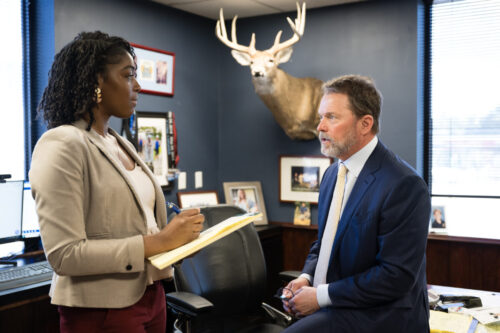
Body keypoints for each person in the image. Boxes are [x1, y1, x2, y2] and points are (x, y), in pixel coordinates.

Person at [29, 31, 204, 333]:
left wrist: (177, 243)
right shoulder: (62, 143)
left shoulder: (121, 143)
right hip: (101, 310)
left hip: (152, 297)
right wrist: (160, 242)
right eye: (128, 75)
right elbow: (64, 255)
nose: (137, 86)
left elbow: (138, 227)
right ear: (97, 81)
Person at [281, 75, 431, 332]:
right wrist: (305, 278)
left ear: (365, 124)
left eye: (332, 117)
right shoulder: (331, 175)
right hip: (335, 305)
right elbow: (325, 244)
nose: (320, 127)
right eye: (320, 117)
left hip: (380, 316)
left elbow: (395, 277)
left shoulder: (404, 185)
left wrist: (319, 296)